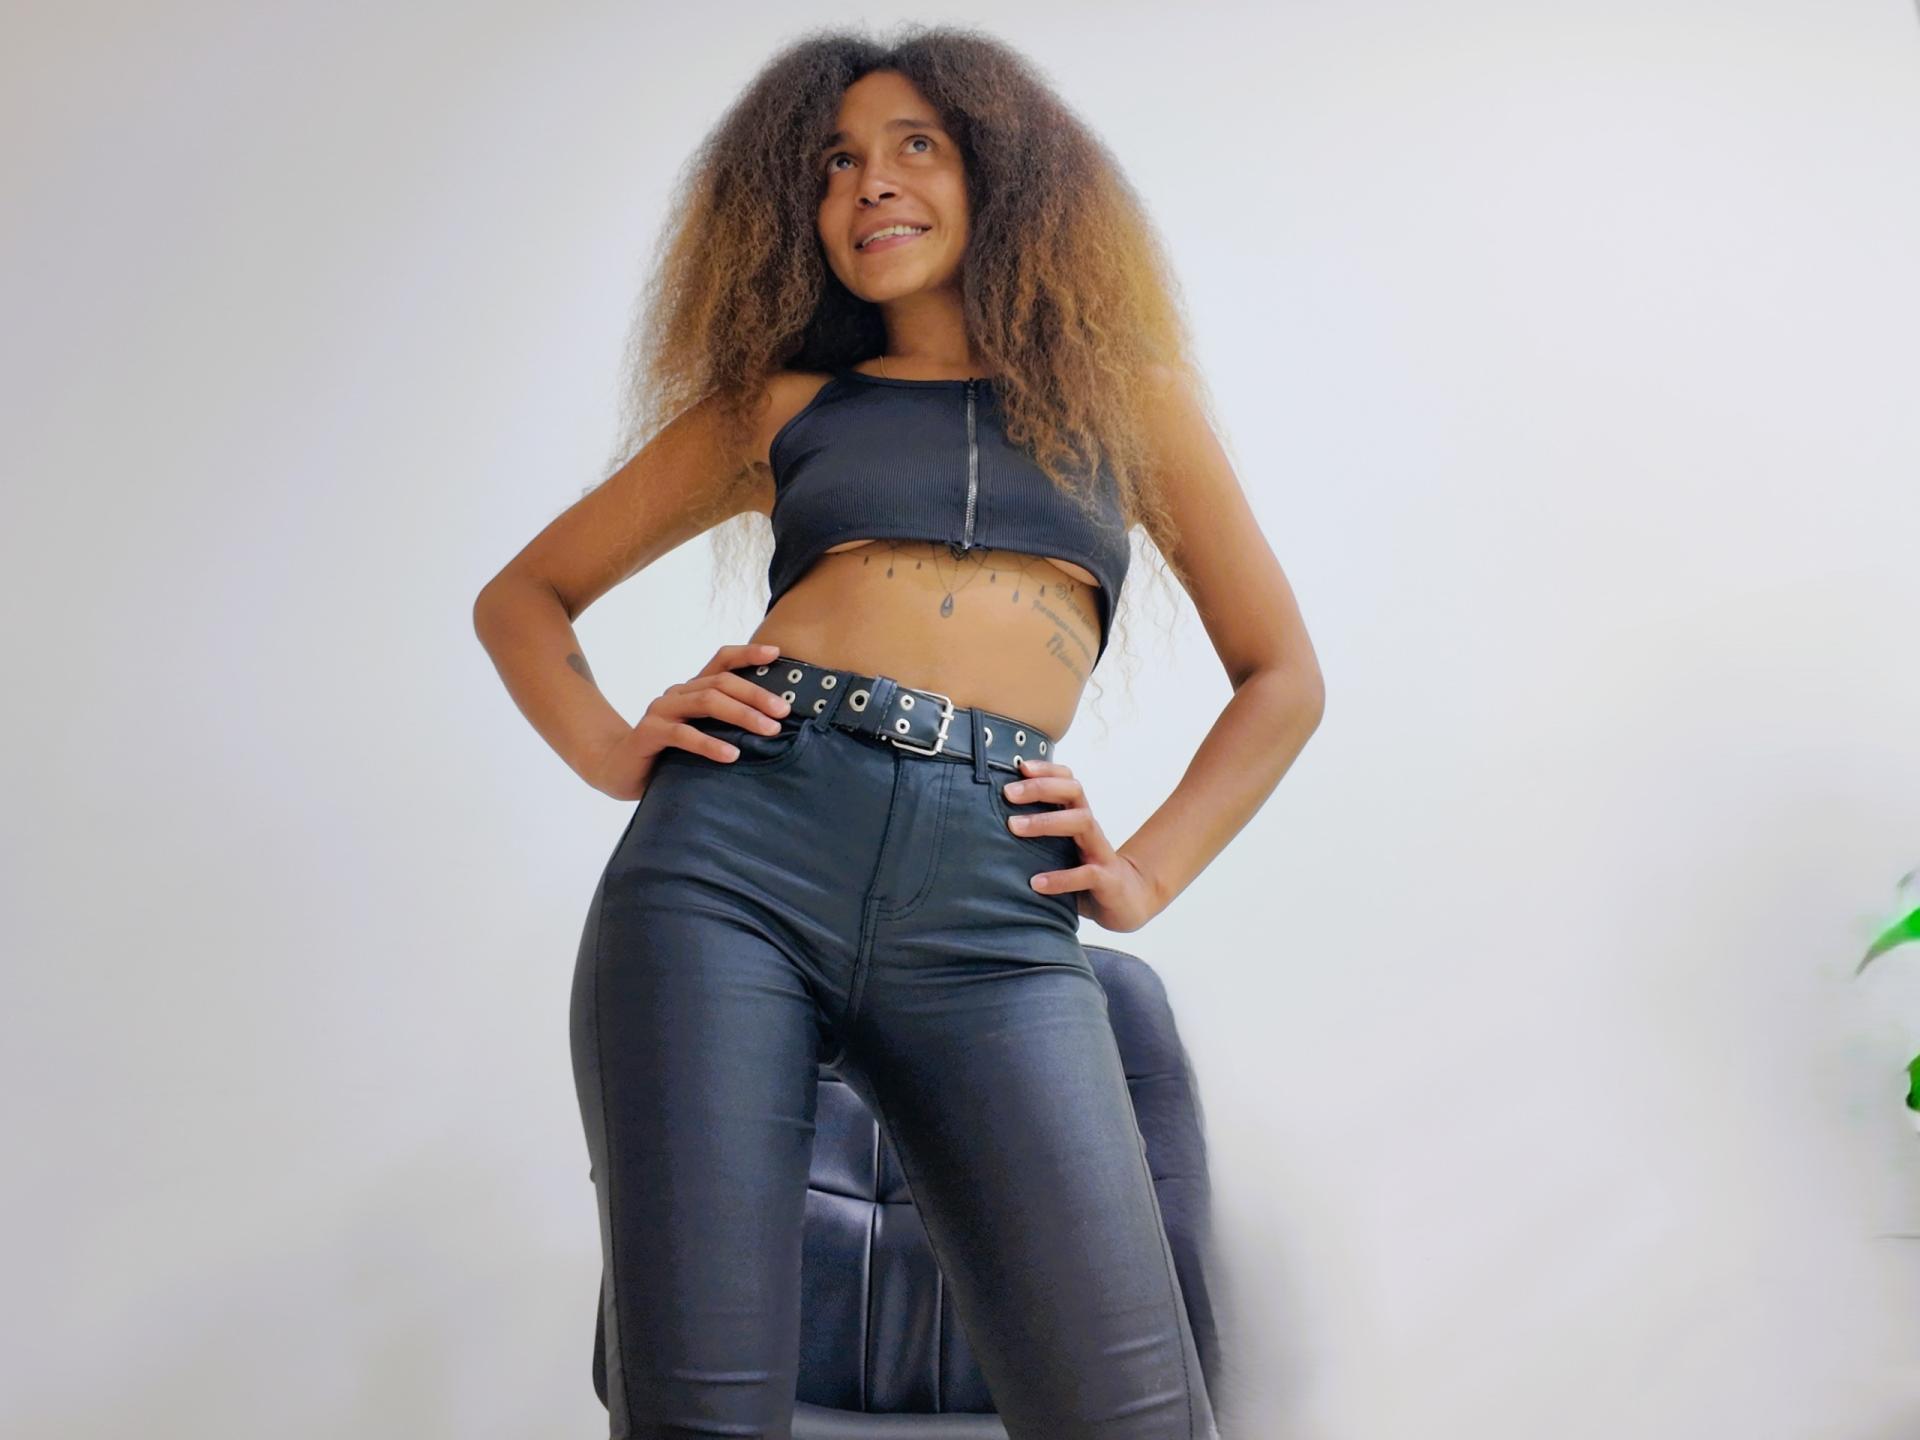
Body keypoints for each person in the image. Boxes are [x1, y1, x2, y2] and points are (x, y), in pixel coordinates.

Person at [473, 26, 1323, 1440]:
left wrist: (1145, 874)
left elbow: (1280, 676)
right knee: (701, 1411)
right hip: (734, 866)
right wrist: (617, 747)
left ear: (1004, 174)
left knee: (1131, 1411)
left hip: (994, 896)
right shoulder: (781, 409)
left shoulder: (1129, 408)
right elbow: (524, 598)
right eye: (833, 164)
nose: (869, 183)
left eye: (914, 145)